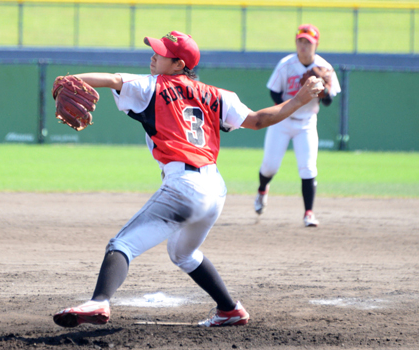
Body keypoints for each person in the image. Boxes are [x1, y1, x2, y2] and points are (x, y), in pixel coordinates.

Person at [51, 31, 323, 328]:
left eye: (160, 52)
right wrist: (298, 99)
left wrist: (67, 80)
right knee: (182, 252)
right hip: (215, 189)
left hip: (184, 186)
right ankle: (230, 310)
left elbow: (112, 80)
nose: (153, 56)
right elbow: (258, 120)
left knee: (122, 244)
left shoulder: (151, 85)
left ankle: (99, 301)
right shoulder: (218, 94)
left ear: (179, 64)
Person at [254, 24, 341, 227]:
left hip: (307, 123)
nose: (303, 46)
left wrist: (324, 92)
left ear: (316, 44)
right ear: (296, 42)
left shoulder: (325, 68)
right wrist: (294, 100)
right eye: (300, 41)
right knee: (269, 167)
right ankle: (262, 191)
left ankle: (308, 213)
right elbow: (274, 93)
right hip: (281, 121)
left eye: (308, 42)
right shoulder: (286, 65)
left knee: (308, 168)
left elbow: (329, 102)